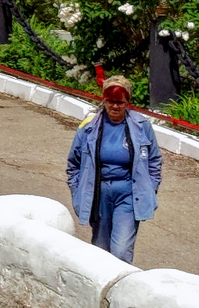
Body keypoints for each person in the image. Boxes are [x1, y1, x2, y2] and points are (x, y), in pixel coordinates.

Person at [65, 74, 163, 259]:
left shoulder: (141, 125)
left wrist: (149, 188)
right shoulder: (88, 127)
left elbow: (154, 161)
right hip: (98, 195)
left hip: (128, 195)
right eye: (111, 101)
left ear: (127, 102)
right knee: (100, 250)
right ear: (104, 100)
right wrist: (77, 191)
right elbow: (73, 164)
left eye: (120, 102)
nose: (115, 106)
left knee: (121, 251)